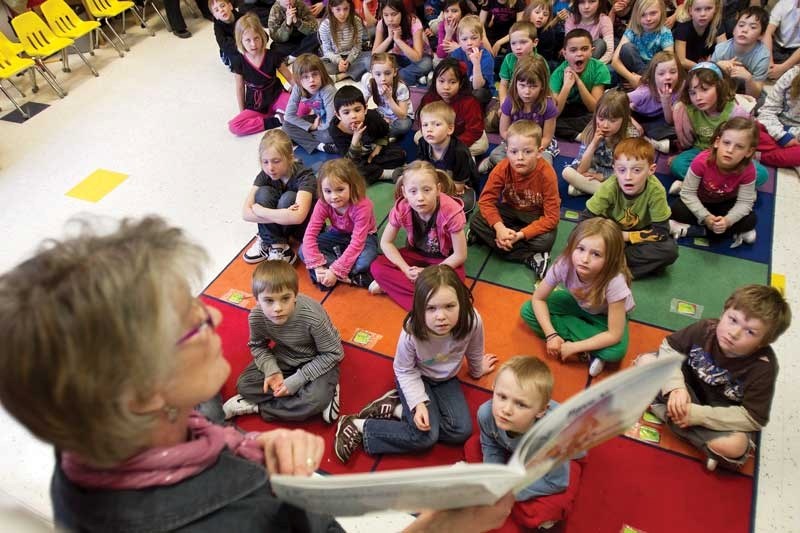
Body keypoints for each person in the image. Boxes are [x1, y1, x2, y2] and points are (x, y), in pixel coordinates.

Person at [0, 215, 515, 532]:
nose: (214, 317)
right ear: (139, 395)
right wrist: (442, 527)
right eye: (190, 325)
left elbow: (326, 355)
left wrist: (252, 450)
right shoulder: (242, 507)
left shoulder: (83, 452)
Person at [333, 264, 498, 463]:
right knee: (425, 437)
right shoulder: (412, 332)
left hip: (445, 379)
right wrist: (418, 402)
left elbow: (474, 350)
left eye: (449, 306)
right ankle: (358, 425)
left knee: (461, 431)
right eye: (431, 308)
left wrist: (477, 368)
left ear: (461, 303)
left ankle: (398, 409)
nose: (441, 316)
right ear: (420, 309)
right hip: (415, 376)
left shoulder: (472, 321)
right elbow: (403, 369)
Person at [635, 285, 791, 471]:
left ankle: (665, 412)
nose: (734, 333)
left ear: (763, 343)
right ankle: (699, 442)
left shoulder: (764, 367)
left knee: (735, 445)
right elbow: (670, 347)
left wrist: (698, 416)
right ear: (724, 311)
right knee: (645, 362)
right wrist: (676, 388)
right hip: (686, 390)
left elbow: (753, 418)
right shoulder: (705, 328)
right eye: (733, 320)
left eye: (750, 332)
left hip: (717, 413)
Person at [223, 260, 343, 423]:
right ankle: (304, 399)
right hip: (286, 354)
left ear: (295, 295)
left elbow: (334, 353)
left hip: (319, 358)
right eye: (269, 301)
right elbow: (258, 346)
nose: (277, 308)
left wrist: (297, 380)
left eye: (285, 298)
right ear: (257, 300)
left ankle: (258, 407)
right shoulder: (256, 317)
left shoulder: (313, 318)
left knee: (314, 400)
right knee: (245, 385)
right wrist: (271, 370)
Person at [520, 218, 635, 377]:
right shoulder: (564, 264)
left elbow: (614, 334)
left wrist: (574, 347)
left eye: (596, 254)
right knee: (527, 310)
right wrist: (551, 334)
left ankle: (577, 342)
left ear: (610, 259)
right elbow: (538, 299)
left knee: (616, 351)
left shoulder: (615, 281)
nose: (585, 259)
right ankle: (587, 346)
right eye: (580, 249)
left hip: (605, 315)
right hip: (576, 301)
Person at [473, 356, 579, 528]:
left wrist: (510, 491)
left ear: (541, 411)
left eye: (521, 404)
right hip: (521, 453)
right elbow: (490, 444)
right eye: (501, 396)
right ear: (493, 388)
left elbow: (557, 483)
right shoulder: (486, 414)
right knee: (473, 446)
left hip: (562, 452)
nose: (506, 410)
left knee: (544, 512)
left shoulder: (552, 436)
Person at [369, 161, 468, 310]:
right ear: (404, 192)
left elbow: (460, 255)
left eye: (427, 190)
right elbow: (386, 243)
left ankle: (405, 293)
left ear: (438, 189)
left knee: (458, 282)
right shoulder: (402, 208)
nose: (420, 197)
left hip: (443, 260)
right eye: (413, 191)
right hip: (415, 255)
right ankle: (429, 302)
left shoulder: (451, 211)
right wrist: (405, 269)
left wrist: (429, 273)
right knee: (377, 266)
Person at [469, 121, 560, 277]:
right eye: (514, 152)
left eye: (527, 152)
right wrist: (500, 228)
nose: (519, 158)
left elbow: (552, 217)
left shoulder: (547, 173)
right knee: (476, 221)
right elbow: (485, 201)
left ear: (539, 152)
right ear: (507, 151)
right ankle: (529, 257)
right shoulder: (502, 168)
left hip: (534, 215)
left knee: (546, 240)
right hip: (509, 211)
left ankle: (492, 240)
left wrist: (520, 235)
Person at [583, 138, 678, 279]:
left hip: (637, 238)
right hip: (608, 234)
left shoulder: (656, 190)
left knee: (670, 251)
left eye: (637, 170)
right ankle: (617, 265)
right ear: (614, 169)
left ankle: (611, 267)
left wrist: (625, 236)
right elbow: (584, 220)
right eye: (621, 170)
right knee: (580, 239)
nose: (628, 177)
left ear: (651, 170)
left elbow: (661, 232)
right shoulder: (610, 187)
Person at [669, 62, 767, 189]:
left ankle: (703, 185)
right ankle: (724, 187)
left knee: (761, 174)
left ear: (719, 87)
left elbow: (745, 141)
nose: (698, 97)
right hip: (702, 152)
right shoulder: (689, 110)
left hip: (730, 155)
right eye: (692, 93)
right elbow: (688, 140)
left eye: (704, 89)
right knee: (678, 165)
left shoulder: (736, 112)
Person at [668, 118, 759, 246]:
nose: (730, 150)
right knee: (676, 210)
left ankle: (696, 230)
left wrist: (728, 221)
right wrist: (706, 218)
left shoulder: (749, 170)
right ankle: (730, 233)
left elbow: (744, 202)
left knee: (751, 219)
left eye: (739, 146)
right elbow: (688, 194)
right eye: (726, 143)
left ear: (748, 152)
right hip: (701, 199)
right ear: (717, 142)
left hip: (725, 203)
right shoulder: (701, 161)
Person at [299, 158, 379, 291]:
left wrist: (334, 271)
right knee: (303, 250)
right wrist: (318, 266)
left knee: (366, 261)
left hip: (365, 237)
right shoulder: (323, 203)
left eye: (340, 189)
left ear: (352, 186)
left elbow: (357, 242)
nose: (334, 196)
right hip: (337, 234)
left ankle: (336, 273)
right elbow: (309, 235)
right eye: (328, 191)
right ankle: (350, 277)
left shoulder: (362, 206)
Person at [241, 130, 316, 264]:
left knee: (288, 198)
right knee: (263, 193)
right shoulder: (265, 174)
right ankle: (278, 246)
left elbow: (298, 217)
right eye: (265, 162)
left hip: (300, 230)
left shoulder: (304, 175)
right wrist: (283, 214)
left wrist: (261, 211)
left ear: (290, 157)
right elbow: (246, 214)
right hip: (282, 223)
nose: (270, 168)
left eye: (276, 161)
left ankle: (270, 238)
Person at [562, 89, 640, 197]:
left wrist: (602, 176)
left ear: (624, 119)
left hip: (616, 175)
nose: (605, 125)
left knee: (633, 182)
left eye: (612, 121)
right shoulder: (591, 130)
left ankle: (590, 189)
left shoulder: (630, 137)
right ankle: (604, 192)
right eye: (601, 118)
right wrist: (593, 144)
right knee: (567, 172)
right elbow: (581, 169)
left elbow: (629, 171)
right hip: (594, 169)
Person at [227, 13, 292, 137]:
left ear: (262, 37)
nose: (253, 44)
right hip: (255, 104)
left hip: (276, 95)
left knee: (303, 108)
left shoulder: (272, 55)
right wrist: (243, 112)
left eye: (256, 38)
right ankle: (276, 120)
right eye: (248, 40)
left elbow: (289, 77)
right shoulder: (238, 61)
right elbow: (240, 88)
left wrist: (300, 92)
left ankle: (277, 113)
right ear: (240, 41)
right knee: (234, 126)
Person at [329, 85, 407, 183]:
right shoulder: (335, 130)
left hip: (373, 152)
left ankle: (376, 171)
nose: (353, 116)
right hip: (355, 159)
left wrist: (378, 148)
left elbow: (384, 133)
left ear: (365, 108)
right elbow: (349, 161)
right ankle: (389, 174)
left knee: (399, 154)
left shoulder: (373, 117)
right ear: (338, 115)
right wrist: (355, 139)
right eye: (346, 112)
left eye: (357, 110)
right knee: (351, 170)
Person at [416, 101, 480, 212]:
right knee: (405, 178)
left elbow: (458, 187)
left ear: (450, 129)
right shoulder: (423, 142)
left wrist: (431, 191)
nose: (429, 129)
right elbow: (421, 169)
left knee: (465, 203)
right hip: (434, 181)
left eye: (436, 124)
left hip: (455, 184)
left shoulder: (459, 152)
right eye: (425, 125)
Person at [417, 58, 489, 156]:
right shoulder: (429, 98)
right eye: (441, 81)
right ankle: (448, 152)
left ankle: (451, 153)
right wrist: (438, 138)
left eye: (452, 82)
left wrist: (451, 145)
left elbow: (474, 130)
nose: (446, 87)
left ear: (461, 83)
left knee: (482, 145)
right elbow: (422, 121)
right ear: (435, 81)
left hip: (461, 136)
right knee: (418, 137)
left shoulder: (469, 102)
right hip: (438, 134)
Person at [551, 28, 610, 140]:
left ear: (591, 51)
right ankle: (579, 136)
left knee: (600, 118)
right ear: (565, 53)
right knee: (548, 120)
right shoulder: (558, 73)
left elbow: (594, 108)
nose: (579, 54)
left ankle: (574, 132)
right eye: (573, 50)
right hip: (566, 111)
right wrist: (566, 86)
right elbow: (554, 113)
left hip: (587, 112)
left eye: (584, 49)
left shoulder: (599, 68)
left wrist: (578, 81)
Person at [627, 50, 683, 152]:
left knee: (677, 129)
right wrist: (633, 122)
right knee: (629, 129)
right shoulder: (644, 92)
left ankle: (652, 141)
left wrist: (666, 101)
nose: (668, 77)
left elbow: (669, 121)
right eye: (661, 74)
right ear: (653, 76)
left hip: (657, 119)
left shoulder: (678, 90)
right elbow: (618, 103)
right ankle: (647, 141)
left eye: (673, 72)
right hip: (636, 115)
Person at [282, 54, 339, 154]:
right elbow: (288, 116)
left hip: (334, 122)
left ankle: (306, 140)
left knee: (328, 136)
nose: (311, 80)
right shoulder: (298, 88)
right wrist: (311, 127)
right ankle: (320, 146)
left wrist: (313, 128)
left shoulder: (328, 90)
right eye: (305, 77)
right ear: (298, 80)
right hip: (318, 120)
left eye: (315, 74)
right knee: (286, 126)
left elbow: (331, 122)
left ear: (322, 74)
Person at [711, 6, 770, 101]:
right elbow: (707, 78)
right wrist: (717, 67)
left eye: (753, 27)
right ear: (734, 30)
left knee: (760, 103)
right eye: (741, 25)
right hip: (724, 89)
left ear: (761, 35)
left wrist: (749, 79)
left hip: (747, 93)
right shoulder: (721, 49)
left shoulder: (762, 56)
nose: (744, 30)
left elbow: (754, 95)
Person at [611, 0, 674, 88]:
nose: (648, 19)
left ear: (662, 12)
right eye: (642, 15)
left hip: (654, 73)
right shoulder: (632, 30)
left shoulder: (665, 33)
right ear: (636, 15)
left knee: (664, 60)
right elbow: (615, 61)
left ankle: (647, 84)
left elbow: (670, 62)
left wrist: (643, 80)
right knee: (626, 49)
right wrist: (632, 79)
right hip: (632, 73)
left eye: (653, 13)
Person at [372, 0, 434, 86]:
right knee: (371, 62)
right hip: (397, 57)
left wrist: (398, 40)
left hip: (418, 58)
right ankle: (413, 78)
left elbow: (417, 57)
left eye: (394, 14)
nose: (390, 19)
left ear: (402, 12)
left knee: (426, 64)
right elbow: (374, 55)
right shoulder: (381, 24)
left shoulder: (413, 22)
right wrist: (390, 38)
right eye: (386, 15)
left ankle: (396, 77)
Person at [755, 65, 800, 169]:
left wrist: (791, 135)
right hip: (774, 126)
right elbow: (767, 111)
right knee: (748, 130)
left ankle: (758, 155)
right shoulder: (791, 75)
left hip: (797, 137)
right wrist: (782, 136)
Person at [361, 53, 414, 138]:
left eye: (387, 73)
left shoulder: (401, 88)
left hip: (399, 117)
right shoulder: (370, 83)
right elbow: (362, 103)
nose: (383, 79)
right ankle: (384, 132)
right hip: (382, 113)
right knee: (365, 116)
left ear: (395, 72)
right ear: (372, 74)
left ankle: (383, 135)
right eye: (378, 74)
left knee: (405, 125)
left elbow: (402, 115)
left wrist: (389, 98)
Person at [318, 0, 371, 81]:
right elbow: (327, 50)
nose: (342, 14)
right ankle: (354, 72)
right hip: (334, 58)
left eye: (345, 9)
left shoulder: (356, 21)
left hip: (353, 56)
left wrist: (348, 61)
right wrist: (339, 61)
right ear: (331, 9)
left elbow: (358, 46)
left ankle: (344, 75)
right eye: (338, 9)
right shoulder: (325, 25)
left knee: (370, 60)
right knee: (319, 67)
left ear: (350, 8)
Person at [449, 14, 495, 106]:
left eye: (474, 38)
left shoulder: (486, 57)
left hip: (482, 90)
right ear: (459, 40)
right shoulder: (456, 54)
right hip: (463, 87)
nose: (469, 43)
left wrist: (476, 64)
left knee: (478, 94)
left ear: (481, 39)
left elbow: (477, 86)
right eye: (464, 39)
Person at [496, 21, 545, 105]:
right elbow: (503, 85)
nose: (518, 47)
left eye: (523, 42)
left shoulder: (540, 62)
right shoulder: (508, 59)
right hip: (511, 97)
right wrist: (503, 104)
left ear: (535, 42)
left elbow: (544, 89)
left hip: (532, 99)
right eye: (513, 43)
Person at [671, 0, 725, 70]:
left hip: (710, 67)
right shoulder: (683, 27)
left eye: (708, 8)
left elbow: (724, 53)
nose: (703, 14)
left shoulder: (717, 24)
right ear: (690, 11)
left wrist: (713, 63)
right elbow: (682, 61)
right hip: (687, 70)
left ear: (716, 9)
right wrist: (705, 67)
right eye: (698, 9)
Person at [762, 0, 800, 81]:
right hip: (777, 45)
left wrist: (783, 68)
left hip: (796, 51)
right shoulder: (785, 3)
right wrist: (769, 63)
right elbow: (768, 32)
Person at [525, 0, 564, 72]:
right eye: (537, 12)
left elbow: (546, 57)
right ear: (529, 13)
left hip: (542, 64)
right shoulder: (522, 29)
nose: (541, 16)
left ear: (548, 18)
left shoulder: (549, 32)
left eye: (545, 14)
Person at [210, 0, 242, 70]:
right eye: (217, 10)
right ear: (215, 16)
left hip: (244, 44)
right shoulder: (218, 27)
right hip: (229, 50)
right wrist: (242, 48)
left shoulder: (241, 17)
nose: (221, 10)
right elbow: (223, 44)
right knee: (238, 61)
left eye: (222, 6)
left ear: (230, 6)